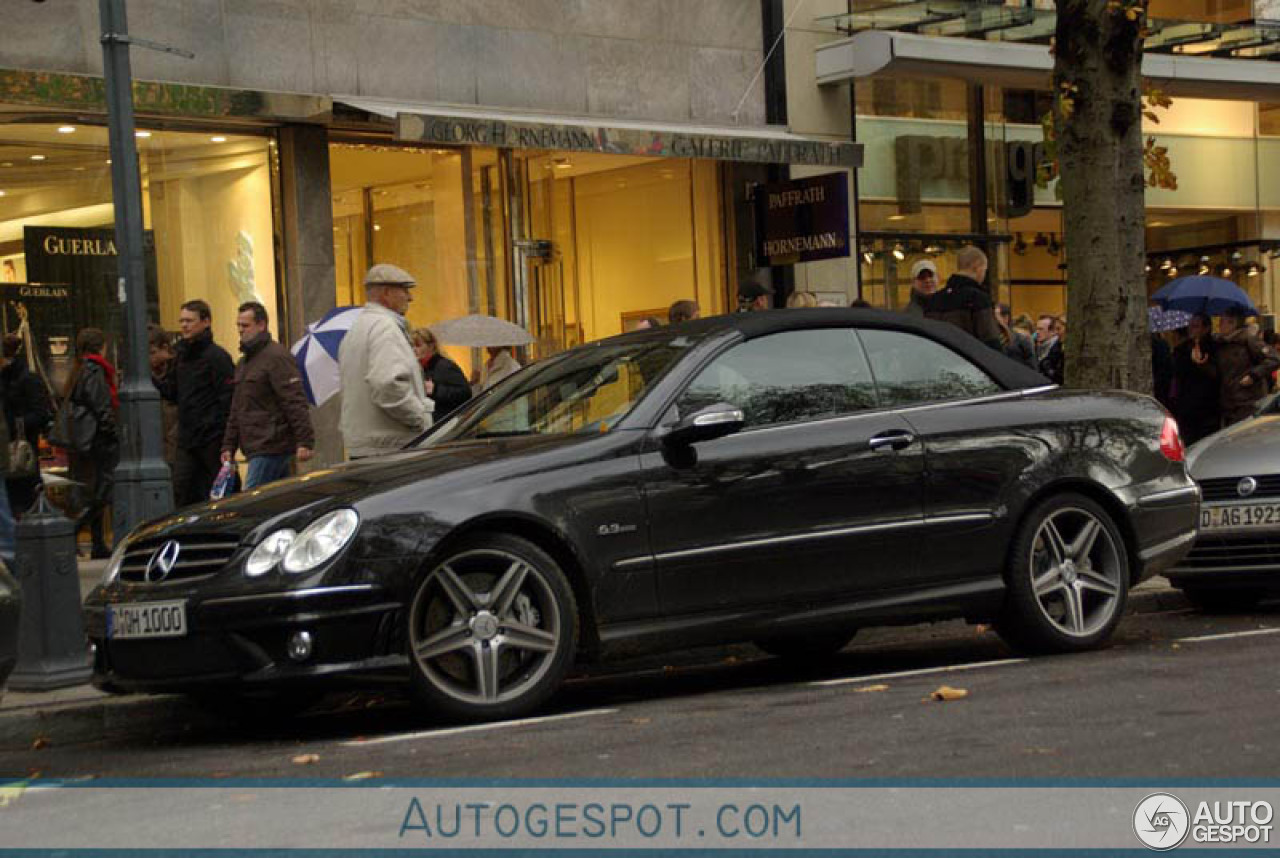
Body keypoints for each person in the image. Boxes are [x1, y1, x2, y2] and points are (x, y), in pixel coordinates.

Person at [339, 264, 433, 459]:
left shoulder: (359, 327)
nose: (410, 297)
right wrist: (419, 418)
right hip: (389, 447)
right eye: (404, 290)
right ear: (386, 293)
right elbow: (386, 385)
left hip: (369, 444)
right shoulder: (385, 328)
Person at [220, 301, 315, 489]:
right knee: (277, 501)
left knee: (253, 500)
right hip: (257, 445)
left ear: (261, 325)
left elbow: (294, 400)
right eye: (238, 325)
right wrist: (228, 445)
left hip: (271, 444)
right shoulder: (244, 363)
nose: (240, 330)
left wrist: (305, 441)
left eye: (245, 325)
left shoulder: (276, 356)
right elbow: (237, 408)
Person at [157, 300, 235, 505]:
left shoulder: (217, 357)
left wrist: (224, 436)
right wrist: (153, 378)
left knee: (218, 491)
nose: (184, 325)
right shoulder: (180, 356)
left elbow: (228, 399)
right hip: (187, 438)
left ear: (206, 322)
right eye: (182, 320)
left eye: (189, 321)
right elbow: (173, 393)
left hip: (211, 438)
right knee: (181, 489)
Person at [64, 328, 118, 558]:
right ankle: (71, 532)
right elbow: (101, 404)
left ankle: (97, 542)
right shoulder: (95, 370)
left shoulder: (78, 370)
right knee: (103, 491)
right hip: (98, 440)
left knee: (93, 490)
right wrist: (112, 431)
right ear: (101, 347)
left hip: (84, 441)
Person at [0, 334, 50, 516]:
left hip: (21, 453)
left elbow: (40, 415)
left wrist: (13, 425)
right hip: (10, 453)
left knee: (23, 501)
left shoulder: (27, 380)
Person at [923, 245, 1002, 351]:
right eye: (984, 270)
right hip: (971, 362)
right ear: (977, 266)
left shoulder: (934, 300)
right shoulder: (978, 299)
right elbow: (990, 341)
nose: (984, 275)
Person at [1215, 306, 1280, 426]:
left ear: (1233, 323)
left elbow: (1274, 359)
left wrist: (1253, 375)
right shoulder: (1220, 344)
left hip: (1248, 402)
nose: (1219, 326)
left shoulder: (1248, 340)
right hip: (1228, 403)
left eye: (1222, 322)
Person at [1172, 312, 1220, 446]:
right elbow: (1177, 373)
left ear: (1206, 329)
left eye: (1196, 326)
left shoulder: (1215, 347)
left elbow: (1217, 375)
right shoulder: (1182, 349)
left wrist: (1202, 364)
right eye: (1190, 326)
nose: (1191, 329)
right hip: (1187, 405)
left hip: (1209, 406)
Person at [411, 327, 471, 419]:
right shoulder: (419, 368)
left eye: (418, 345)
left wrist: (435, 389)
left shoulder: (444, 366)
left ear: (431, 346)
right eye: (412, 346)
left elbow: (465, 393)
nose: (414, 349)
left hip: (446, 423)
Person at [148, 325, 180, 470]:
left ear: (165, 348)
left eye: (152, 353)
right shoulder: (145, 377)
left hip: (174, 446)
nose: (149, 358)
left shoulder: (177, 371)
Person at [994, 303, 1036, 369]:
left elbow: (1032, 366)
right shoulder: (991, 339)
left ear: (1006, 318)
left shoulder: (1022, 339)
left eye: (995, 316)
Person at [1035, 315, 1065, 385]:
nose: (1037, 332)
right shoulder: (1037, 347)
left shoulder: (1057, 348)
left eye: (1041, 329)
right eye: (1036, 329)